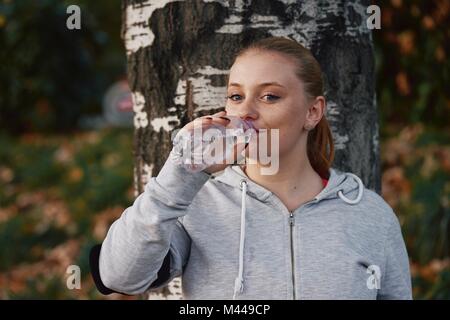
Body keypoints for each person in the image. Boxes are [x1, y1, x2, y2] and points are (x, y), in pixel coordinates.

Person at [90, 36, 412, 300]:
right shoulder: (200, 205)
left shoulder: (370, 214)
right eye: (236, 96)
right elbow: (119, 276)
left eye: (270, 96)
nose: (246, 111)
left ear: (313, 112)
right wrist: (180, 173)